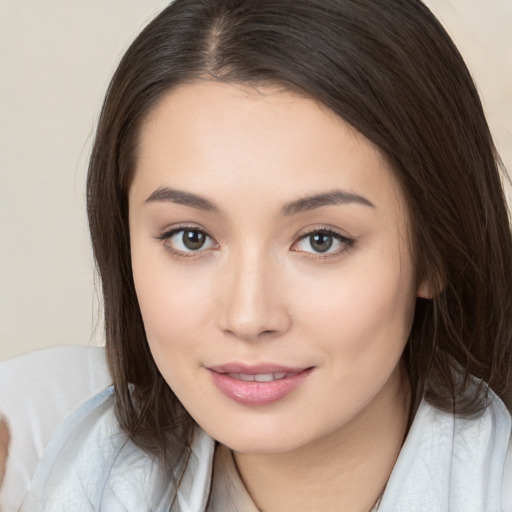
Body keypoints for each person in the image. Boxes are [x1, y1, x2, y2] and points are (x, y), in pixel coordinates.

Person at [3, 0, 512, 510]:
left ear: (436, 251)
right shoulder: (37, 452)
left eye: (321, 240)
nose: (248, 317)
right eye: (191, 237)